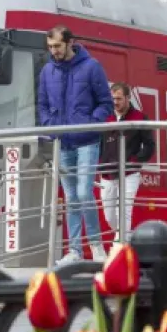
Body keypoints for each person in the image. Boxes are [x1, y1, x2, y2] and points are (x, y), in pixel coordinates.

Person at [37, 26, 114, 263]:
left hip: (87, 141)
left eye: (57, 46)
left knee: (83, 192)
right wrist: (51, 125)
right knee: (71, 197)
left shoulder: (92, 67)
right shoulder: (47, 71)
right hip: (63, 141)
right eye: (50, 47)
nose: (54, 51)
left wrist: (91, 124)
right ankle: (75, 251)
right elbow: (42, 104)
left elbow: (105, 103)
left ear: (70, 43)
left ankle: (96, 246)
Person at [99, 83, 155, 242]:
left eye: (119, 99)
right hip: (107, 173)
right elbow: (100, 143)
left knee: (124, 210)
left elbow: (150, 146)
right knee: (109, 215)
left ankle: (119, 245)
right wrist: (100, 162)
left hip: (130, 173)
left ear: (128, 98)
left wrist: (134, 162)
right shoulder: (106, 118)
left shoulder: (140, 118)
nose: (115, 102)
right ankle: (126, 238)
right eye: (113, 99)